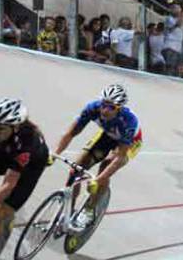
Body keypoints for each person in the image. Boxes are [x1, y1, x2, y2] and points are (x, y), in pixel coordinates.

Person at [52, 85, 142, 228]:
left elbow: (119, 158)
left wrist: (99, 180)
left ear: (119, 108)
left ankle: (89, 210)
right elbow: (71, 132)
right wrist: (55, 153)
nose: (105, 110)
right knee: (76, 169)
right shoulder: (93, 108)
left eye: (111, 107)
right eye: (104, 105)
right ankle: (69, 210)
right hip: (107, 135)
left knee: (106, 166)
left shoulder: (128, 122)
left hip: (129, 144)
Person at [0, 98, 49, 260]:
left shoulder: (26, 143)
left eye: (0, 129)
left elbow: (8, 185)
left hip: (29, 167)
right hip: (5, 149)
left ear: (15, 127)